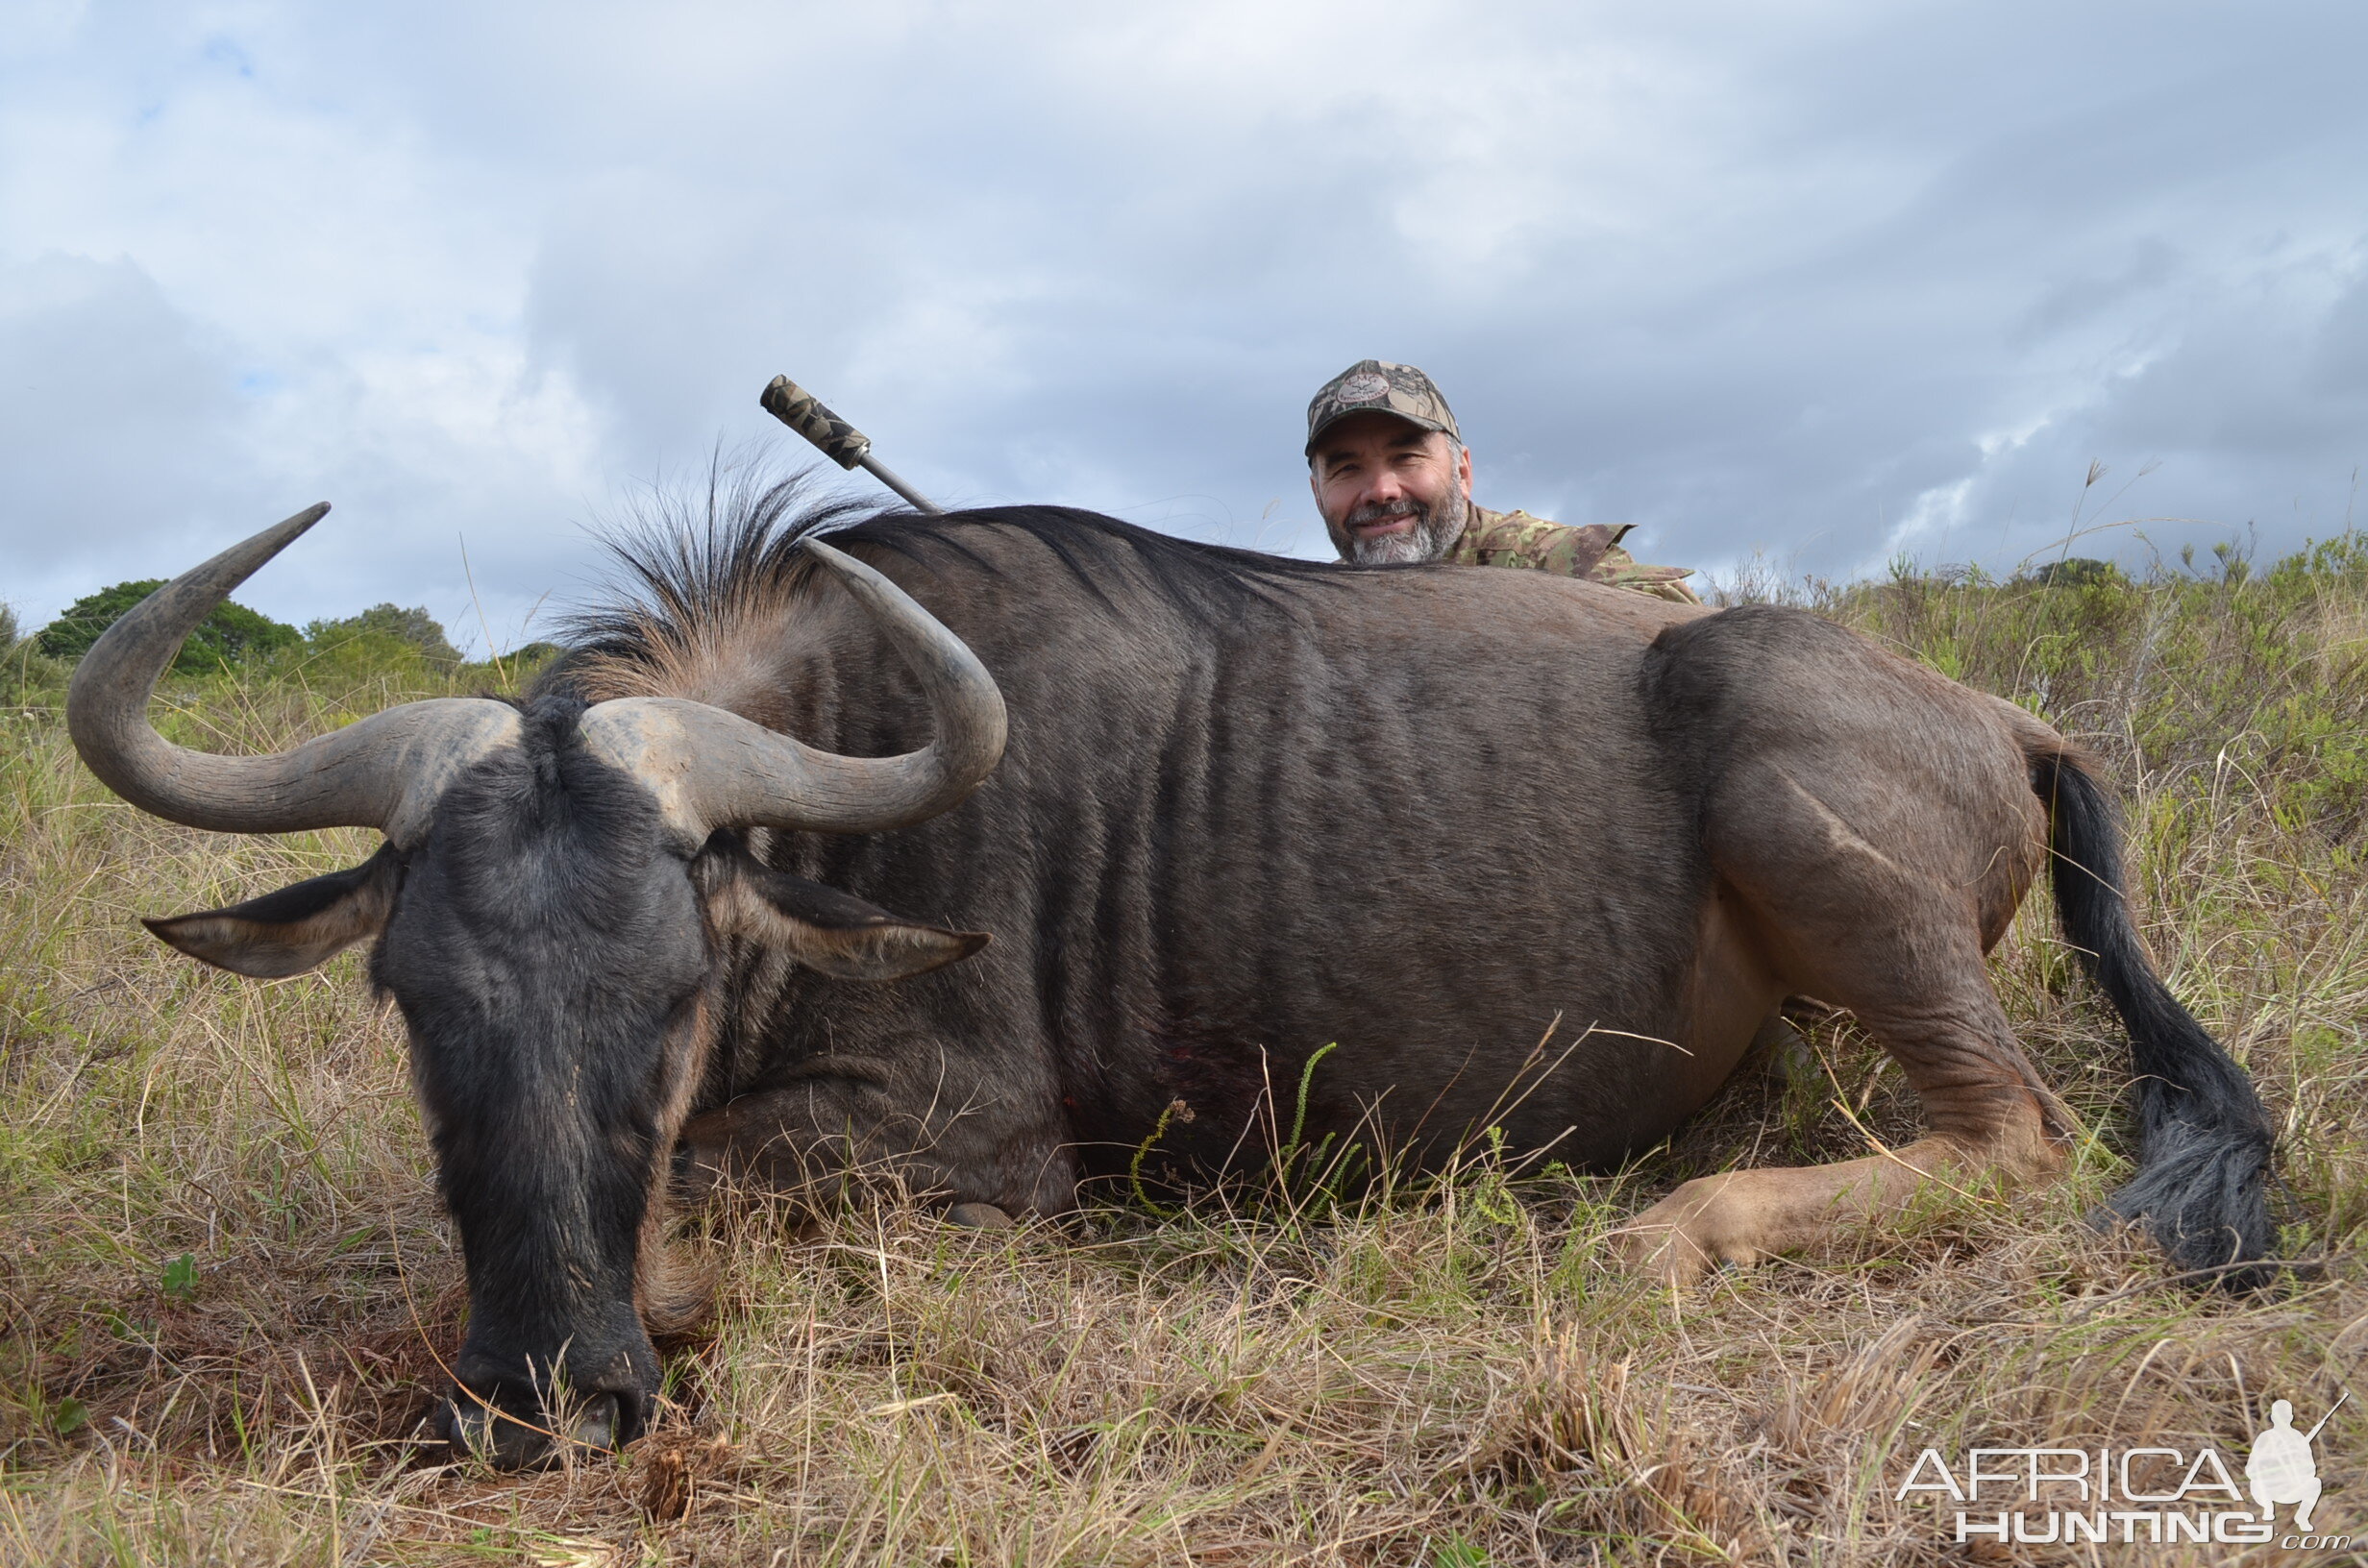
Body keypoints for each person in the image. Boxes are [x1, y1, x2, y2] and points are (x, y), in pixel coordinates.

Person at [1305, 359, 1699, 603]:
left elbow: (1684, 632)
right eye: (1347, 469)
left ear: (1462, 472)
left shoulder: (1553, 560)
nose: (1381, 490)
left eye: (1406, 457)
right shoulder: (1314, 604)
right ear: (1318, 496)